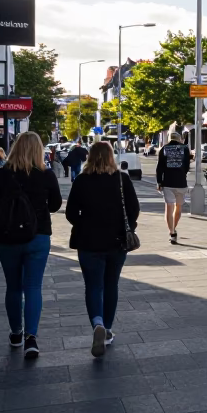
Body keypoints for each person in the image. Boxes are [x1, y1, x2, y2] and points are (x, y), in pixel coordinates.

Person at [0, 131, 62, 359]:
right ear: (38, 150)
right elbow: (55, 205)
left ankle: (16, 333)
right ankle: (31, 338)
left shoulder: (0, 175)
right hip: (38, 236)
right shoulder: (46, 175)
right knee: (33, 287)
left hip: (8, 238)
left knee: (13, 287)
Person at [66, 142, 139, 357]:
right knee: (111, 285)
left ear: (89, 157)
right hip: (117, 242)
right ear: (110, 157)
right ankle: (107, 329)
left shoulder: (81, 180)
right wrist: (128, 228)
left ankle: (96, 322)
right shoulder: (121, 179)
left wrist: (84, 224)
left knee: (93, 286)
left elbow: (70, 213)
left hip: (88, 243)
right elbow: (134, 209)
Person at [156, 131, 191, 244]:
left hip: (168, 183)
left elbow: (159, 168)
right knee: (178, 207)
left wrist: (159, 182)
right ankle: (173, 228)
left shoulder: (164, 149)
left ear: (169, 138)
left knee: (169, 208)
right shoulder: (185, 148)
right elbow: (187, 165)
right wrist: (182, 174)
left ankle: (172, 232)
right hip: (181, 182)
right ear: (179, 139)